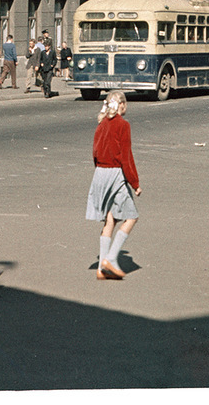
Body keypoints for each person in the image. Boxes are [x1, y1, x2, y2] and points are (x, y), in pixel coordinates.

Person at [85, 91, 141, 281]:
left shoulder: (101, 125)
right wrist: (135, 183)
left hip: (99, 173)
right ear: (122, 106)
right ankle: (110, 259)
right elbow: (126, 157)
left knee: (110, 220)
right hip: (115, 173)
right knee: (132, 217)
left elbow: (95, 152)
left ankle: (101, 268)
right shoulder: (123, 125)